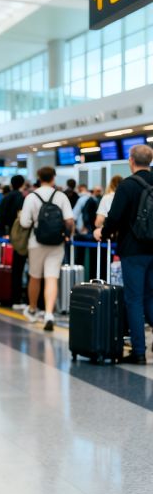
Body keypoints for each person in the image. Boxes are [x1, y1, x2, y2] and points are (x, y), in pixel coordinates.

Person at [94, 144, 153, 365]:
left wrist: (103, 233)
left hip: (133, 250)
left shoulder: (127, 185)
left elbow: (115, 217)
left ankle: (139, 351)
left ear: (131, 161)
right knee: (150, 297)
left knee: (134, 299)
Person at [19, 166, 74, 331]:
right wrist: (67, 236)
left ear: (39, 177)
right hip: (56, 242)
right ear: (53, 178)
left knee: (35, 276)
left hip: (36, 242)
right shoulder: (61, 196)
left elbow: (24, 223)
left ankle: (33, 309)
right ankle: (49, 314)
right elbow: (69, 220)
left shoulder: (31, 197)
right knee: (51, 277)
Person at [0, 174, 27, 308]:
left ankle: (8, 296)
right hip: (18, 237)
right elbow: (22, 219)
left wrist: (3, 232)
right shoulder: (21, 197)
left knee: (8, 266)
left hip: (5, 236)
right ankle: (17, 298)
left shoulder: (5, 197)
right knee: (19, 268)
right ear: (22, 184)